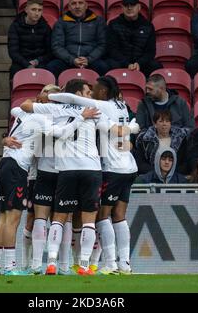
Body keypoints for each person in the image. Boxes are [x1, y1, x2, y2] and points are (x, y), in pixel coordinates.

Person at [47, 76, 141, 275]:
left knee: (101, 216)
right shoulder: (122, 105)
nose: (93, 93)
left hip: (111, 167)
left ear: (104, 92)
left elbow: (73, 99)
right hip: (129, 166)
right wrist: (132, 129)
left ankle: (109, 263)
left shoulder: (102, 106)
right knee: (119, 216)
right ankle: (124, 263)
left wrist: (51, 95)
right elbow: (122, 134)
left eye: (95, 89)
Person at [0, 99, 93, 276]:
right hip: (17, 167)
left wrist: (4, 139)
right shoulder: (40, 119)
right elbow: (62, 132)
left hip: (3, 165)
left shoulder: (22, 114)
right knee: (13, 220)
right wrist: (80, 117)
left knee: (2, 218)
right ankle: (9, 267)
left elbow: (15, 108)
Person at [47, 0, 109, 78]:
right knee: (52, 67)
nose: (77, 6)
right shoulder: (61, 22)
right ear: (69, 7)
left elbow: (102, 45)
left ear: (86, 5)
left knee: (103, 67)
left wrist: (89, 59)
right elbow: (57, 46)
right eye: (73, 3)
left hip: (90, 60)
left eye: (80, 3)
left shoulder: (98, 21)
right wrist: (72, 60)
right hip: (68, 60)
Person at [105, 0, 162, 77]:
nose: (129, 8)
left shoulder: (148, 26)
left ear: (139, 7)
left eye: (132, 5)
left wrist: (139, 63)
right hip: (120, 62)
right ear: (122, 8)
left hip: (141, 63)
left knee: (155, 66)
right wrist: (127, 64)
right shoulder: (113, 24)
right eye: (126, 5)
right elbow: (112, 50)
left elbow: (150, 52)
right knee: (107, 65)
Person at [7, 0, 53, 79]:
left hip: (40, 62)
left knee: (50, 69)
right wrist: (27, 64)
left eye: (39, 10)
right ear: (26, 9)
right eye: (33, 9)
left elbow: (50, 52)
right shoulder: (15, 26)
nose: (37, 13)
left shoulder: (45, 27)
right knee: (14, 70)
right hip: (21, 62)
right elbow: (13, 52)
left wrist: (37, 61)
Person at [134, 110, 189, 175]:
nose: (164, 124)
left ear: (170, 123)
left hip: (175, 176)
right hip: (151, 176)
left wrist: (171, 174)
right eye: (161, 121)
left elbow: (185, 163)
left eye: (167, 121)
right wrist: (157, 173)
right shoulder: (145, 140)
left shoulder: (180, 139)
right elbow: (140, 163)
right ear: (155, 124)